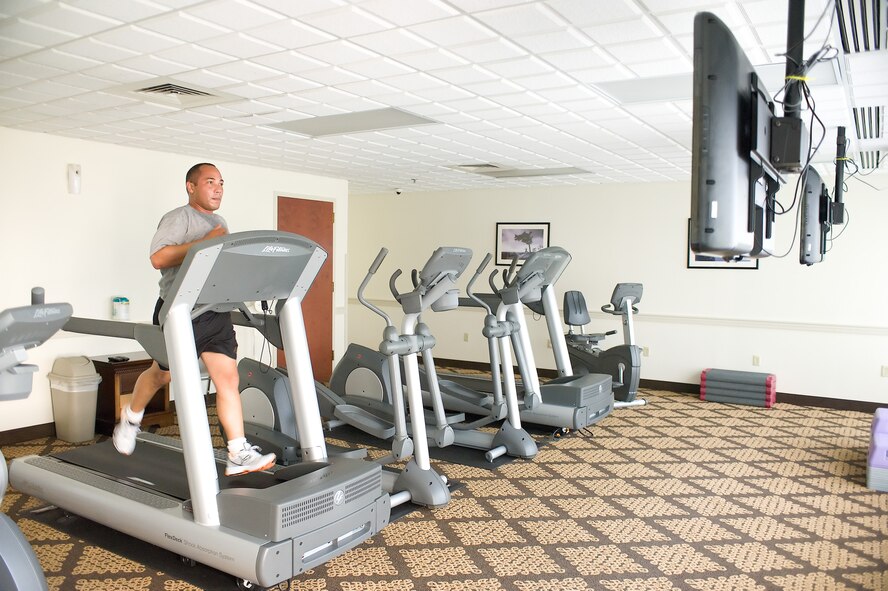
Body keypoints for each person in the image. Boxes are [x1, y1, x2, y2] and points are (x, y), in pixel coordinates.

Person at [112, 162, 276, 476]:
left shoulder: (219, 221)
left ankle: (238, 451)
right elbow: (158, 258)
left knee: (228, 379)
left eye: (221, 183)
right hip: (180, 310)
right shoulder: (178, 218)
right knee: (163, 375)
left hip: (215, 310)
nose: (218, 188)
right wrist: (206, 242)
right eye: (210, 182)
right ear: (191, 187)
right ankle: (130, 418)